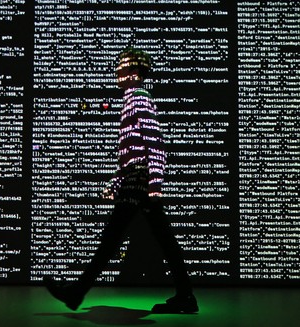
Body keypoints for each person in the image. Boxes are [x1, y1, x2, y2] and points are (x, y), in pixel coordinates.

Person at [44, 47, 198, 314]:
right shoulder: (132, 99)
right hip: (136, 178)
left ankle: (76, 293)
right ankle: (185, 295)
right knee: (161, 238)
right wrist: (117, 182)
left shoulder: (138, 97)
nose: (118, 71)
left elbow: (154, 143)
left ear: (135, 73)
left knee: (112, 239)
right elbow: (134, 150)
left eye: (123, 67)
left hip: (139, 181)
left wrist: (153, 184)